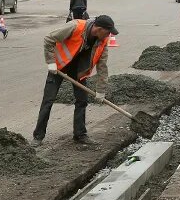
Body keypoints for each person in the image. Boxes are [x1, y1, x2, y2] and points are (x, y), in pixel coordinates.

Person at [32, 15, 117, 147]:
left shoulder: (102, 41)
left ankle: (80, 134)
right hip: (59, 66)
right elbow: (49, 38)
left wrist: (100, 90)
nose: (109, 35)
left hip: (78, 70)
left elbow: (102, 67)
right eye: (107, 32)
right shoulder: (75, 26)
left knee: (82, 101)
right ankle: (38, 136)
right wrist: (50, 62)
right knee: (48, 101)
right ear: (99, 29)